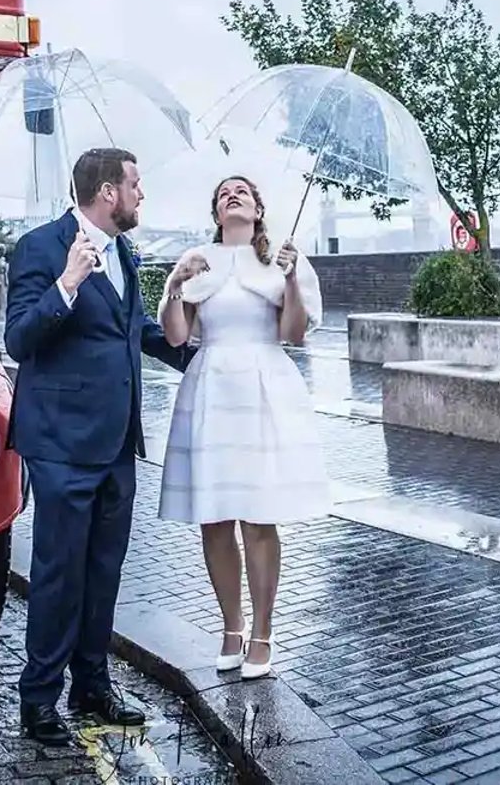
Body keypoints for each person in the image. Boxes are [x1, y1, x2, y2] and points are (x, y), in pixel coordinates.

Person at [3, 147, 193, 746]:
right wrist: (66, 283)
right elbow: (18, 340)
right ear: (107, 192)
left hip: (116, 442)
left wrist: (200, 357)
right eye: (136, 185)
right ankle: (38, 700)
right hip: (60, 442)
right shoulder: (41, 246)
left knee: (103, 571)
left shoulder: (125, 253)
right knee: (58, 574)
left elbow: (133, 329)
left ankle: (91, 683)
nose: (142, 196)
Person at [156, 175, 329, 680]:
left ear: (257, 209)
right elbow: (177, 334)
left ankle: (263, 633)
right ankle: (231, 627)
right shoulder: (199, 259)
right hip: (210, 387)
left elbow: (292, 334)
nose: (233, 196)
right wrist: (173, 285)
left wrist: (292, 280)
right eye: (224, 193)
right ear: (216, 212)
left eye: (243, 192)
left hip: (262, 388)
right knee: (214, 518)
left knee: (258, 516)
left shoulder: (279, 258)